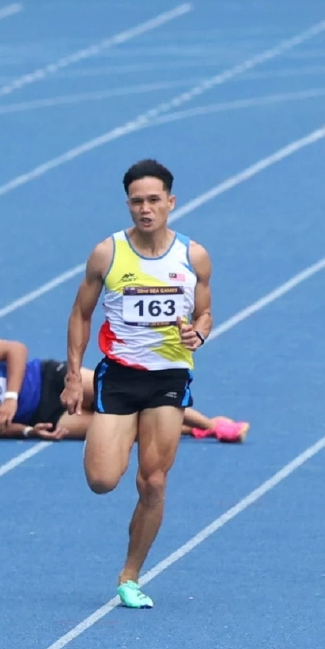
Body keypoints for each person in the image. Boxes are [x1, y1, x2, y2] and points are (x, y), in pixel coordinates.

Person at [61, 159, 213, 609]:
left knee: (154, 482)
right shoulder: (107, 254)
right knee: (103, 480)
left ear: (171, 201)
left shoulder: (193, 257)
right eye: (136, 201)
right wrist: (74, 375)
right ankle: (120, 434)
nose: (145, 209)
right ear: (127, 204)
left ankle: (130, 575)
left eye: (153, 200)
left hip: (168, 379)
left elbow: (205, 311)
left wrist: (199, 332)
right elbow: (80, 315)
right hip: (120, 377)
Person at [0, 337, 248, 443]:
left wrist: (11, 397)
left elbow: (15, 350)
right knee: (125, 429)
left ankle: (214, 425)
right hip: (48, 415)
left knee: (131, 395)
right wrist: (30, 430)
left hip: (48, 379)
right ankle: (190, 429)